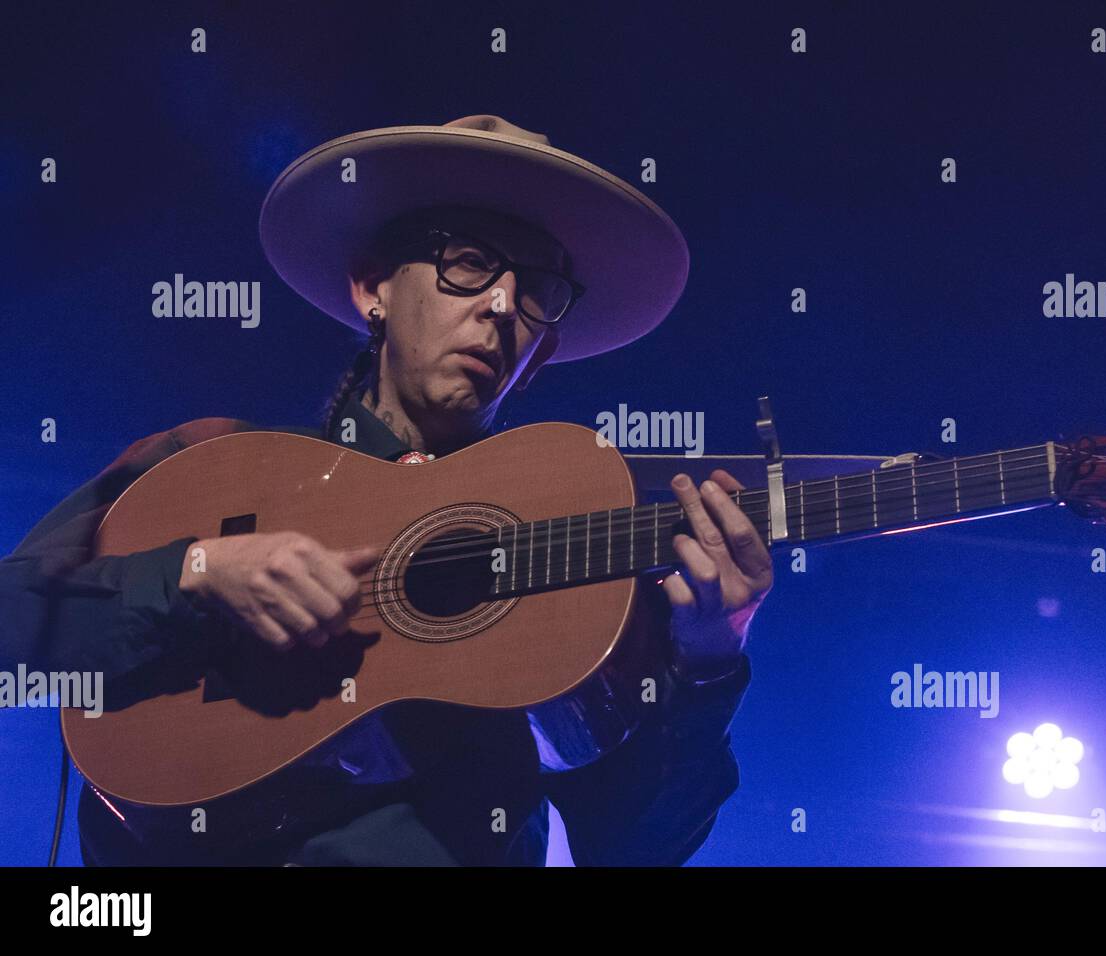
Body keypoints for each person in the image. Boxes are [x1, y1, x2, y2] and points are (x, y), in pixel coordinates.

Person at [0, 115, 774, 866]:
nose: (503, 307)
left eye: (535, 287)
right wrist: (200, 575)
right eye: (469, 262)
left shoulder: (576, 570)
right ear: (373, 287)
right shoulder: (209, 463)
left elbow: (631, 849)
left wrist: (710, 661)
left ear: (541, 356)